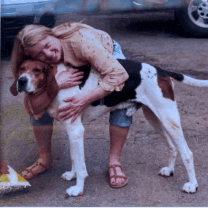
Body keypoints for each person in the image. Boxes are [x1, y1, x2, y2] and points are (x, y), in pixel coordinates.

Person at [10, 22, 133, 188]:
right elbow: (32, 107)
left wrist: (84, 99)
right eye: (40, 53)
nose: (48, 53)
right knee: (40, 96)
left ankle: (114, 161)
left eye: (47, 45)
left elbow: (118, 75)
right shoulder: (33, 56)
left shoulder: (82, 41)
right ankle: (44, 158)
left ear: (53, 35)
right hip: (68, 56)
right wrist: (56, 85)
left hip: (103, 51)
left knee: (123, 95)